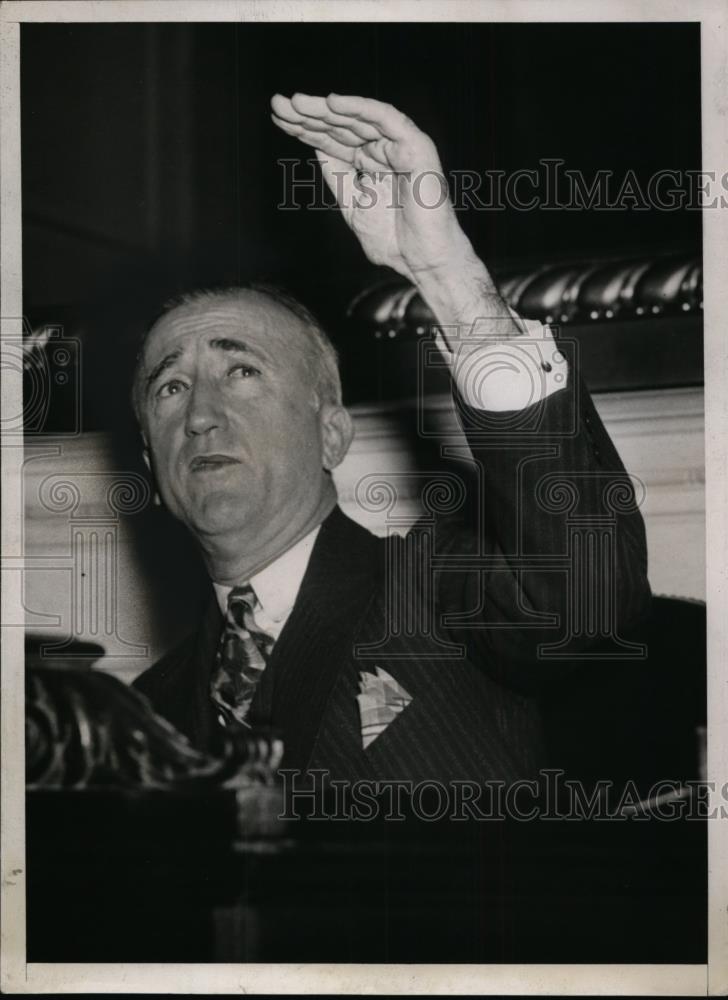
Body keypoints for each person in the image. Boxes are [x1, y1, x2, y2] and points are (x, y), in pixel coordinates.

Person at [132, 93, 650, 784]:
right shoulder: (141, 716)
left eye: (242, 370)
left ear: (332, 433)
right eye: (170, 388)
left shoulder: (437, 593)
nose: (200, 414)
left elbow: (584, 604)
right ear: (149, 461)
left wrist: (443, 275)